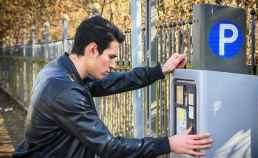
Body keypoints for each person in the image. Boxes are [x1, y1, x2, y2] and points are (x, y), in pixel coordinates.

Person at [13, 15, 212, 158]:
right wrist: (169, 143)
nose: (114, 64)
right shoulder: (65, 90)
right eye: (111, 57)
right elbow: (108, 147)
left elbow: (115, 81)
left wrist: (159, 70)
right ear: (92, 49)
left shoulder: (60, 70)